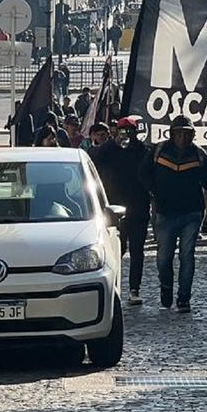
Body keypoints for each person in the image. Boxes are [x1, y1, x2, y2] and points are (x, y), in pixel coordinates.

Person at [138, 115, 207, 312]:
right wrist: (155, 191)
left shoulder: (199, 155)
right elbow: (143, 174)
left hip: (192, 212)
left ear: (192, 135)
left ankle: (184, 297)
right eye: (179, 133)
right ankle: (166, 288)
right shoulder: (158, 151)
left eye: (186, 134)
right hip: (165, 213)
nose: (182, 138)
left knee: (187, 255)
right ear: (172, 134)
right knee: (164, 257)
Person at [93, 117, 150, 306]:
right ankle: (114, 286)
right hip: (114, 209)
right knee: (115, 250)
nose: (127, 135)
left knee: (136, 250)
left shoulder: (142, 151)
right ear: (117, 131)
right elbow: (93, 161)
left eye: (130, 131)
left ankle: (135, 288)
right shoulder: (108, 150)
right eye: (123, 131)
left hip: (138, 207)